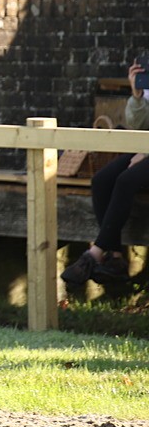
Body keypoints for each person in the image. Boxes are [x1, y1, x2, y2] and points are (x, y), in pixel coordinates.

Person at [61, 57, 149, 287]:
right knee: (101, 181)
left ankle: (94, 255)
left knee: (125, 180)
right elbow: (138, 125)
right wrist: (137, 96)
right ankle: (115, 258)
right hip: (144, 146)